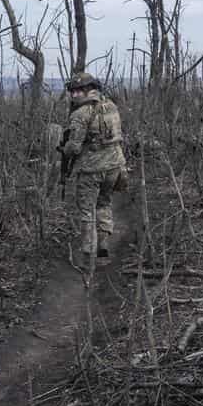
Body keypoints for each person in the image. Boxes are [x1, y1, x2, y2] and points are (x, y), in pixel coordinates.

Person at [59, 72, 126, 265]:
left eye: (78, 91)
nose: (74, 95)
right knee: (104, 204)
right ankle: (103, 248)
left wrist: (64, 149)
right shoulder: (111, 106)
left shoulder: (80, 114)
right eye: (72, 91)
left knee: (87, 210)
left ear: (88, 90)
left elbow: (74, 146)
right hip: (115, 165)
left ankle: (88, 253)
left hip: (91, 169)